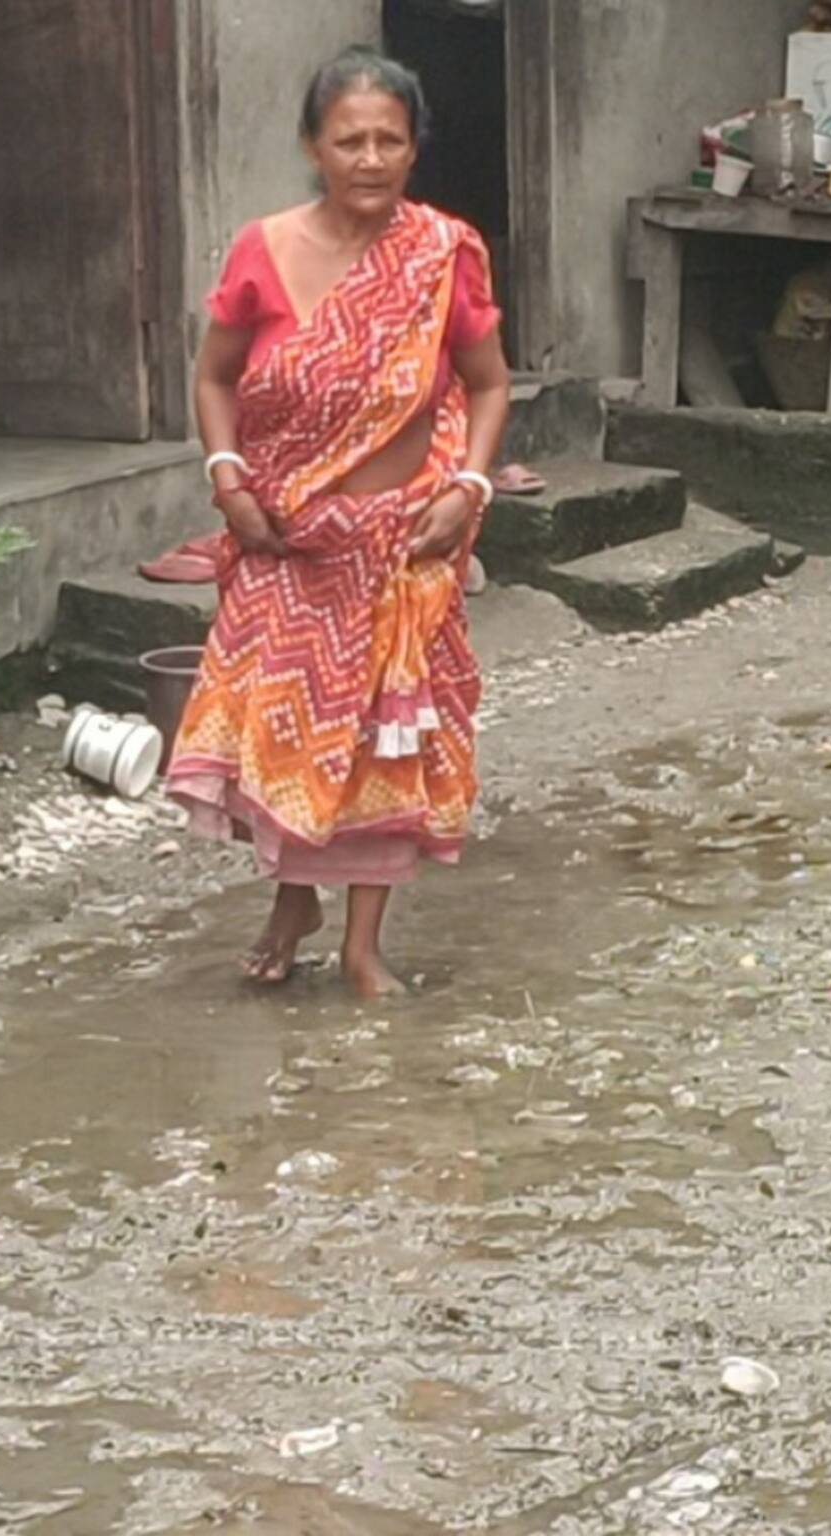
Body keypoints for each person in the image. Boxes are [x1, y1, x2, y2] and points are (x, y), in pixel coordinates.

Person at [142, 47, 512, 998]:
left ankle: (362, 943)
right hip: (283, 540)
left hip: (401, 548)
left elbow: (487, 384)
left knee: (384, 745)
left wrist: (466, 489)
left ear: (414, 149)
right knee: (291, 739)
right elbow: (214, 375)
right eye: (350, 139)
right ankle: (293, 901)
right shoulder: (262, 252)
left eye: (390, 139)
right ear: (314, 146)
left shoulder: (441, 256)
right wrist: (228, 481)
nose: (371, 158)